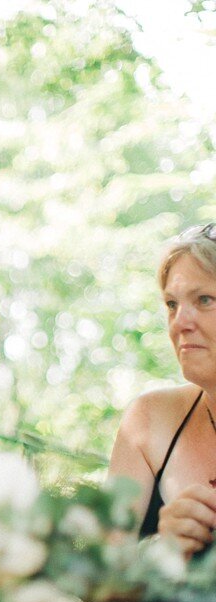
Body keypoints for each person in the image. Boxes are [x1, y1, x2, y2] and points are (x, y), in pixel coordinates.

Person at [113, 224, 216, 558]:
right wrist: (161, 551)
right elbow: (97, 588)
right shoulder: (148, 419)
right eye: (172, 304)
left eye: (205, 300)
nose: (180, 322)